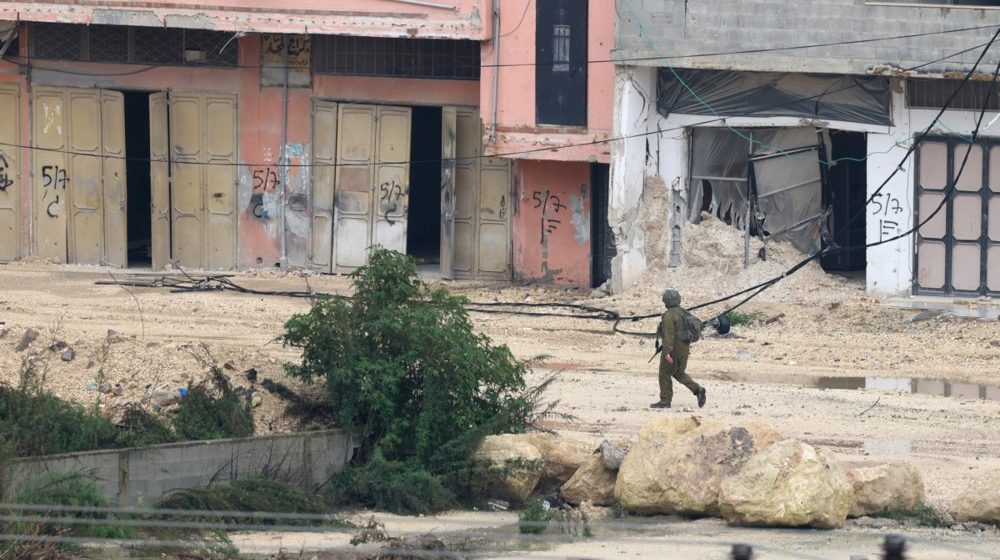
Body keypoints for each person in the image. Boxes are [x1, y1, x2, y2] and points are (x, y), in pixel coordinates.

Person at [651, 289, 707, 409]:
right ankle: (698, 390)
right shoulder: (683, 312)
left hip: (674, 349)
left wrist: (667, 353)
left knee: (664, 373)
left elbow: (669, 335)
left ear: (665, 302)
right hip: (685, 348)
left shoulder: (669, 315)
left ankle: (665, 401)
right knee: (678, 372)